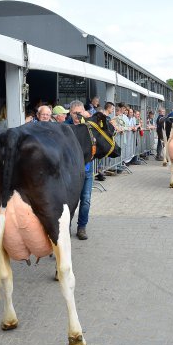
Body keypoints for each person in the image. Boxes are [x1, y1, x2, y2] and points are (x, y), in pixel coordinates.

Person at [68, 100, 93, 240]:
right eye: (75, 113)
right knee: (69, 201)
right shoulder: (65, 127)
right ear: (70, 113)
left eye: (80, 112)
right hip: (69, 172)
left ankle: (82, 227)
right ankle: (65, 229)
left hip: (87, 169)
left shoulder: (88, 127)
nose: (77, 115)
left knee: (86, 199)